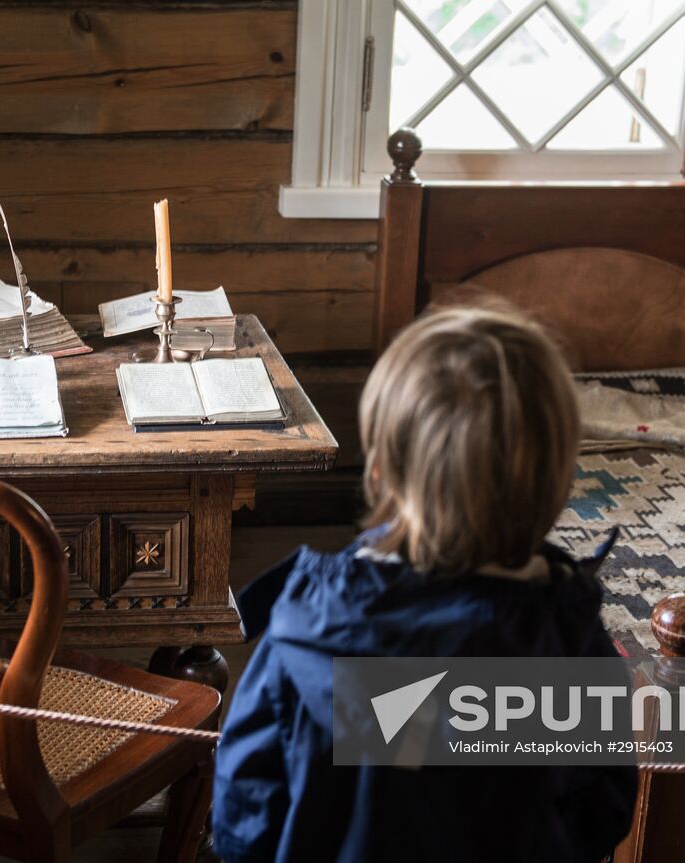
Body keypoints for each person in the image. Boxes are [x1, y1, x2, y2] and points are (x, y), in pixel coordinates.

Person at [212, 305, 636, 862]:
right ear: (554, 480)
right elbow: (601, 810)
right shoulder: (567, 642)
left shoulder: (309, 630)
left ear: (382, 469)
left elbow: (244, 817)